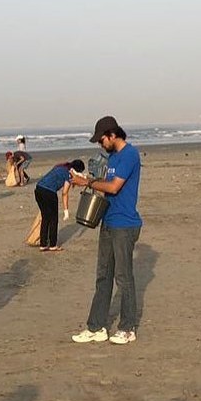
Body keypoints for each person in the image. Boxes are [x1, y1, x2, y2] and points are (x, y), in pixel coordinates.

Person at [69, 116, 142, 345]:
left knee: (123, 277)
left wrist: (87, 184)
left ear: (112, 135)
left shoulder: (130, 154)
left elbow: (114, 186)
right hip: (109, 221)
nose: (100, 145)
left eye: (101, 140)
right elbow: (106, 185)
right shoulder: (112, 157)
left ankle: (128, 327)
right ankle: (96, 326)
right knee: (103, 276)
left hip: (125, 224)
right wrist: (90, 180)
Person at [35, 159, 86, 252]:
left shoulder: (61, 166)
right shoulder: (69, 174)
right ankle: (53, 245)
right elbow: (65, 193)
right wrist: (66, 210)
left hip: (38, 189)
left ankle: (43, 244)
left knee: (45, 218)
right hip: (49, 192)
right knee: (54, 219)